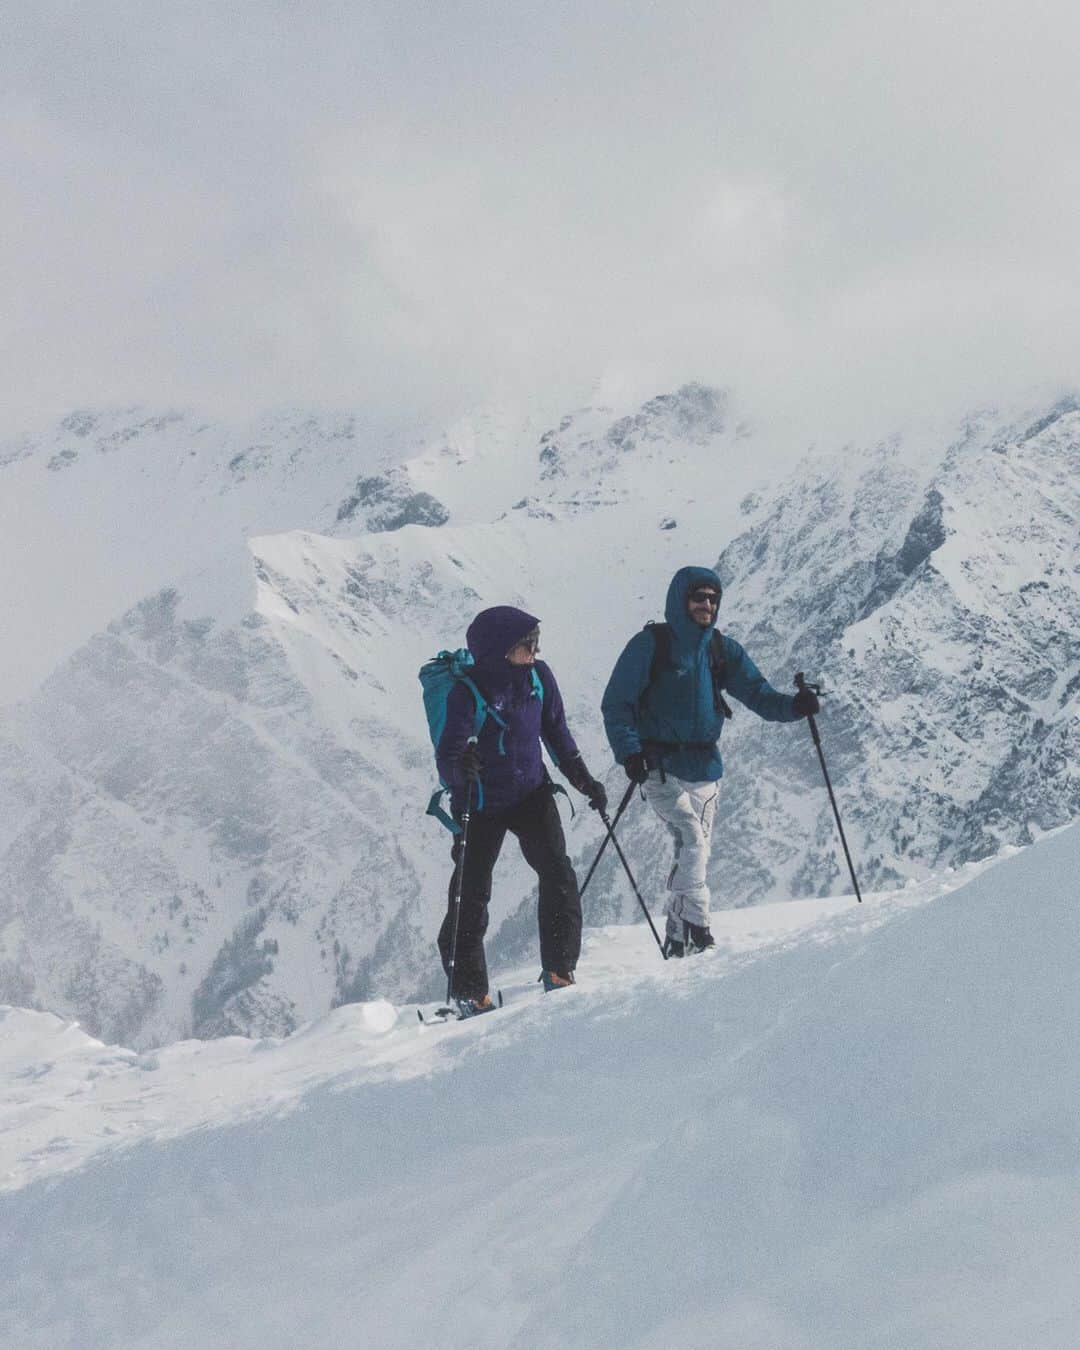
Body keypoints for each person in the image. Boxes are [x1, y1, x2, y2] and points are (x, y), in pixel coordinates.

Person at [601, 566, 819, 956]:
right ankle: (698, 927)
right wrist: (630, 752)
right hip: (657, 765)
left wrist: (795, 707)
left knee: (695, 850)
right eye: (698, 597)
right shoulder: (650, 645)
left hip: (704, 767)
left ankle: (677, 936)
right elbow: (617, 704)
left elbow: (759, 695)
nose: (706, 605)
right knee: (693, 840)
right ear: (680, 600)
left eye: (712, 598)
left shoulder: (720, 649)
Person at [436, 605, 607, 1014]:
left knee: (558, 874)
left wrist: (584, 780)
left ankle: (560, 970)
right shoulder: (468, 692)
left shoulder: (538, 678)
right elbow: (447, 758)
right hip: (479, 802)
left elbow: (556, 734)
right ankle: (470, 992)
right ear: (498, 651)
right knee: (470, 895)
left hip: (531, 792)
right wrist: (462, 767)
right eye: (525, 645)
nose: (534, 651)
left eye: (535, 643)